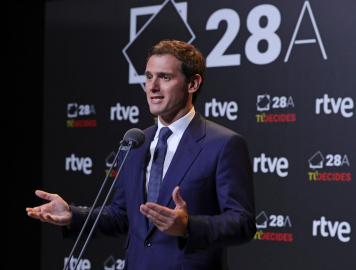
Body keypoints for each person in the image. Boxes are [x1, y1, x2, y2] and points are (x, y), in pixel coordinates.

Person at [26, 39, 255, 270]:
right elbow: (122, 214)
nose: (152, 86)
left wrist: (188, 226)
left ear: (193, 84)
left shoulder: (224, 144)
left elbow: (242, 223)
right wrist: (73, 216)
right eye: (148, 76)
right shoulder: (137, 142)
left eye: (165, 77)